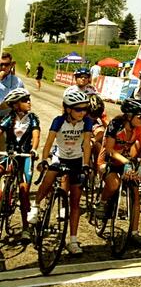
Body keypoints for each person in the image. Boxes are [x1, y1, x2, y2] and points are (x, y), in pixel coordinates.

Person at [28, 88, 93, 256]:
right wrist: (44, 160)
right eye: (79, 109)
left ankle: (73, 241)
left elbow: (87, 144)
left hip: (77, 159)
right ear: (68, 109)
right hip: (60, 157)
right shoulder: (58, 121)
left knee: (75, 202)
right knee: (49, 177)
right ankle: (36, 206)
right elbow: (49, 143)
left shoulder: (87, 122)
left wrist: (86, 164)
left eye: (85, 109)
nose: (83, 112)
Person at [94, 98, 141, 245]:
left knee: (135, 193)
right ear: (129, 116)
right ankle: (103, 202)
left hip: (125, 160)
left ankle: (134, 232)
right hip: (108, 160)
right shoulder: (115, 125)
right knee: (114, 184)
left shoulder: (139, 128)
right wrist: (126, 162)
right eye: (140, 117)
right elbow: (109, 150)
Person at [0, 88, 40, 241]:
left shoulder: (33, 118)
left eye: (28, 99)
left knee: (24, 192)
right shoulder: (9, 118)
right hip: (9, 155)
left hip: (25, 156)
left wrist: (34, 149)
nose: (29, 102)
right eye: (24, 100)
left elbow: (36, 134)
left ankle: (26, 228)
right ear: (15, 105)